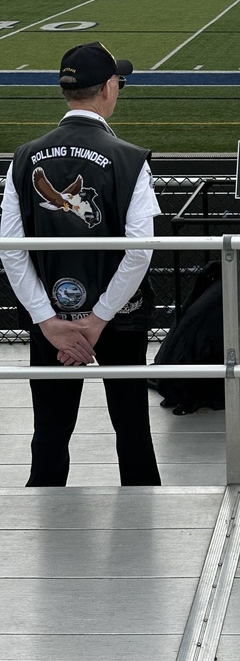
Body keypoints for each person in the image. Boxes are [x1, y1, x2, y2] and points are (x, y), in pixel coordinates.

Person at [0, 42, 162, 486]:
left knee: (50, 430)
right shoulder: (129, 158)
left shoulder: (24, 156)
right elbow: (141, 248)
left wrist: (48, 320)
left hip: (49, 317)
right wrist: (98, 318)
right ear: (108, 88)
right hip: (119, 319)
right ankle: (144, 508)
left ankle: (43, 518)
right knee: (131, 427)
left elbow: (9, 247)